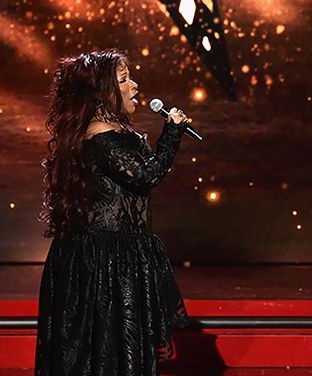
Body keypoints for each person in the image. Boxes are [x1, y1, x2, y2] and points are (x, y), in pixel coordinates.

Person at [36, 49, 190, 375]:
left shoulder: (115, 133)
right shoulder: (99, 135)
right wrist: (172, 134)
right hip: (101, 262)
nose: (134, 86)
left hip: (119, 256)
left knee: (121, 353)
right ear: (102, 93)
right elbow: (146, 174)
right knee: (102, 354)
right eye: (123, 80)